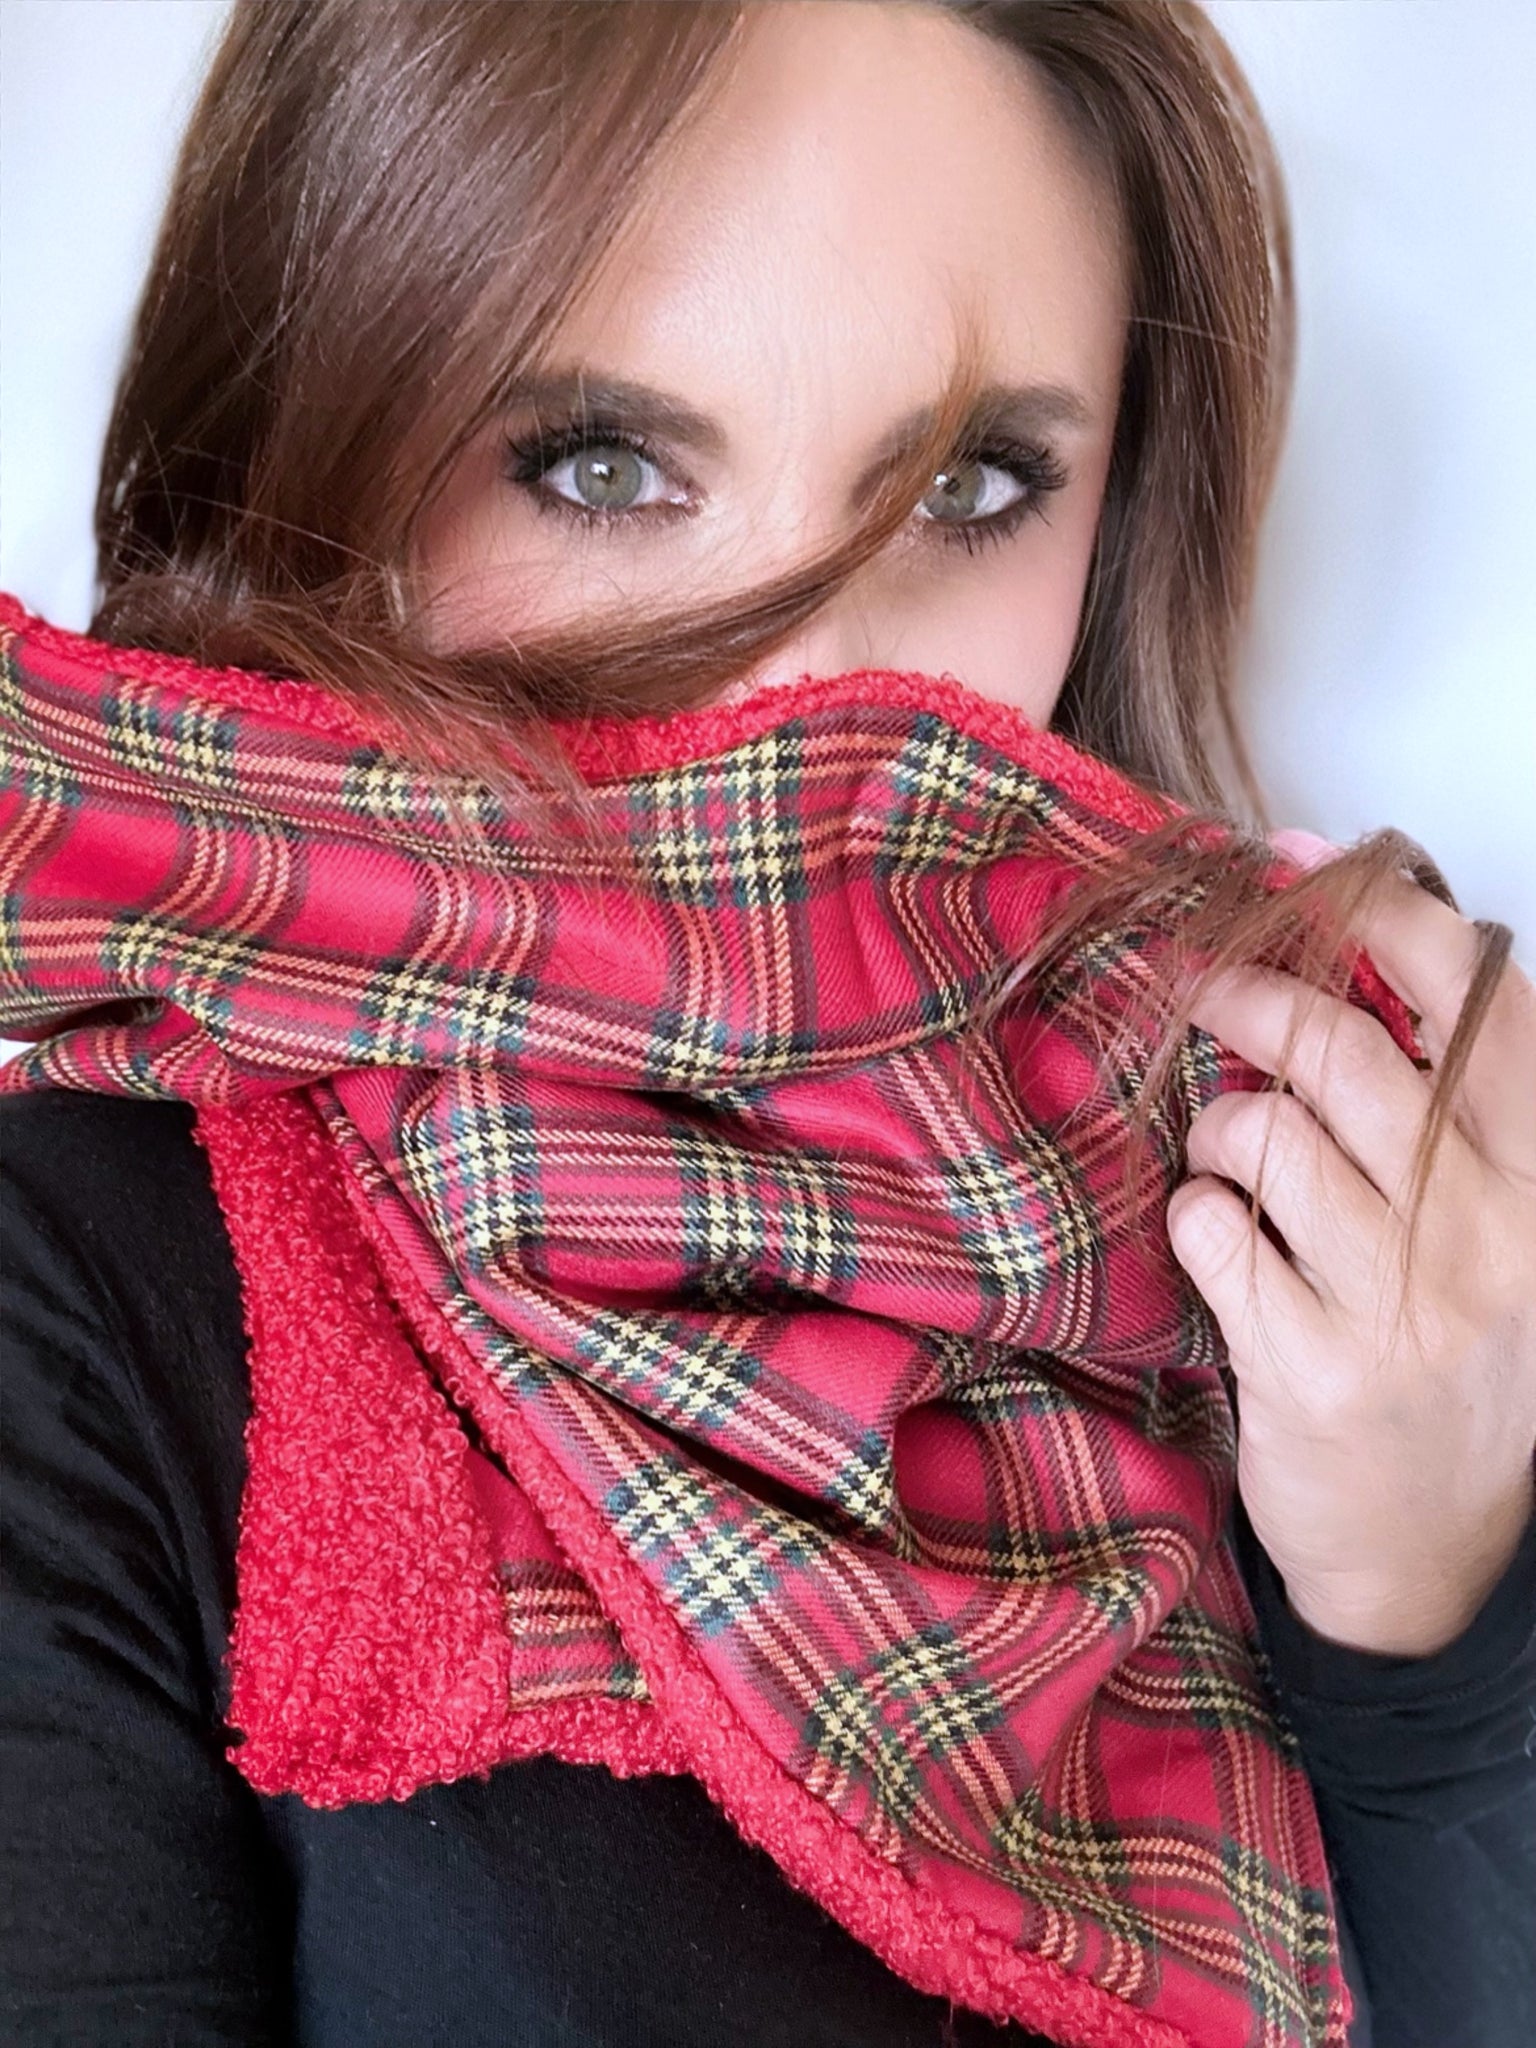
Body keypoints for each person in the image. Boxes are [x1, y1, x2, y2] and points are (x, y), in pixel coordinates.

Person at [1, 4, 1532, 2046]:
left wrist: (1428, 1630)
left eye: (971, 485)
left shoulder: (1315, 1244)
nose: (803, 689)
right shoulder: (80, 1300)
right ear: (314, 452)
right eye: (601, 466)